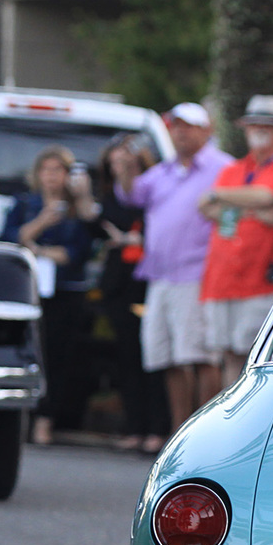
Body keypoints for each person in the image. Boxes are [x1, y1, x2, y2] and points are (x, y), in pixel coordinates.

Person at [119, 102, 233, 433]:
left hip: (198, 276)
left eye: (189, 126)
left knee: (200, 357)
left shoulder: (223, 168)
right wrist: (127, 169)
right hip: (160, 277)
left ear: (206, 130)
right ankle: (179, 432)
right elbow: (131, 197)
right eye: (177, 126)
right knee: (167, 358)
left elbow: (233, 218)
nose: (181, 132)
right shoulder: (164, 171)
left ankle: (205, 435)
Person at [199, 95, 273, 388]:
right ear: (245, 128)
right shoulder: (232, 169)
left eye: (268, 124)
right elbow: (206, 206)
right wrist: (253, 209)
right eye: (254, 124)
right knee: (228, 357)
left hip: (264, 279)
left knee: (259, 361)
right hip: (223, 278)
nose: (260, 128)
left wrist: (223, 197)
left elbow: (266, 197)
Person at [1, 145, 98, 445]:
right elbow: (8, 239)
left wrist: (39, 248)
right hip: (28, 289)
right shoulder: (25, 204)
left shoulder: (76, 209)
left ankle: (46, 420)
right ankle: (18, 417)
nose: (52, 176)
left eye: (58, 170)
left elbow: (78, 252)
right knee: (24, 351)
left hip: (65, 291)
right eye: (47, 170)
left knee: (57, 356)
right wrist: (41, 223)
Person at [95, 134, 170, 453]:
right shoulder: (110, 196)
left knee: (154, 357)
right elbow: (99, 228)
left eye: (126, 159)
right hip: (119, 284)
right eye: (114, 162)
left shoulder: (157, 187)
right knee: (127, 355)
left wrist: (137, 242)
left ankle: (159, 427)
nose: (119, 165)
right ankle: (134, 425)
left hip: (150, 281)